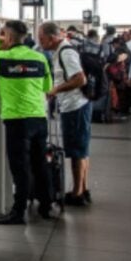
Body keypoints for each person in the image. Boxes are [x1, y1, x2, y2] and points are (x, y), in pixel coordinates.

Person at [0, 20, 53, 225]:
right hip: (39, 117)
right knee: (40, 163)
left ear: (8, 37)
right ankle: (46, 205)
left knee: (20, 167)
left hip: (16, 121)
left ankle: (18, 212)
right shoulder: (40, 58)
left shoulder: (1, 58)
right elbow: (48, 86)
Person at [38, 22, 92, 207]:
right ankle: (82, 189)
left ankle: (77, 193)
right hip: (76, 106)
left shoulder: (65, 52)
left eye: (42, 38)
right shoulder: (61, 51)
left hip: (75, 107)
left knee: (77, 152)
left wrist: (55, 90)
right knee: (81, 150)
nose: (40, 41)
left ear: (52, 38)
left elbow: (79, 78)